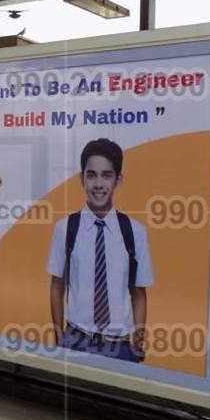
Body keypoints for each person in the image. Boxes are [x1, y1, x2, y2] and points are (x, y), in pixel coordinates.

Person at [46, 138, 154, 363]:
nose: (98, 184)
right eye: (91, 174)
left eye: (107, 175)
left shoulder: (135, 232)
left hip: (120, 347)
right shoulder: (65, 228)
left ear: (118, 180)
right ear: (82, 179)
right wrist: (59, 337)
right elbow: (57, 287)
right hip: (75, 340)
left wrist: (138, 343)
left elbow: (139, 294)